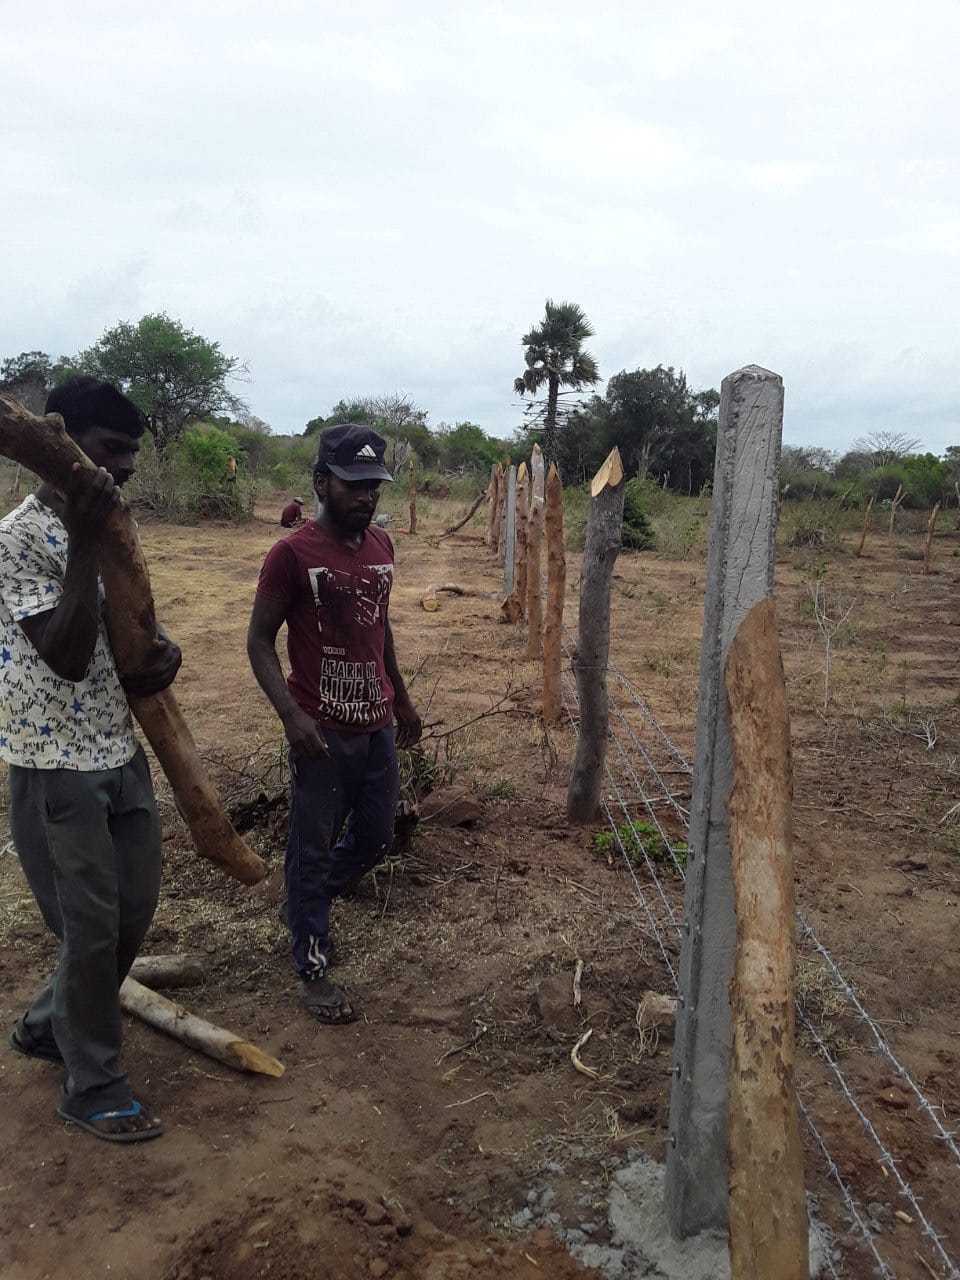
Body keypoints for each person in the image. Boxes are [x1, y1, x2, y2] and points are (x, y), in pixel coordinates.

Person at [0, 376, 182, 1142]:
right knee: (90, 926)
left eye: (133, 454)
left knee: (133, 910)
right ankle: (92, 1082)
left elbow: (129, 636)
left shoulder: (111, 525)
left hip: (117, 746)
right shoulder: (17, 538)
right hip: (54, 763)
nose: (124, 470)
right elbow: (68, 654)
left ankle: (48, 1022)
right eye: (111, 451)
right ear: (61, 437)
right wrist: (80, 537)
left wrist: (163, 653)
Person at [247, 423, 422, 1024]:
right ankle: (312, 965)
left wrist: (399, 697)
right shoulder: (291, 554)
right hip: (320, 732)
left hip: (374, 726)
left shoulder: (381, 546)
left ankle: (301, 902)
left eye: (374, 486)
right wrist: (291, 716)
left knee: (374, 838)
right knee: (314, 848)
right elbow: (258, 643)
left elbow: (381, 628)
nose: (367, 497)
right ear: (321, 483)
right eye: (353, 485)